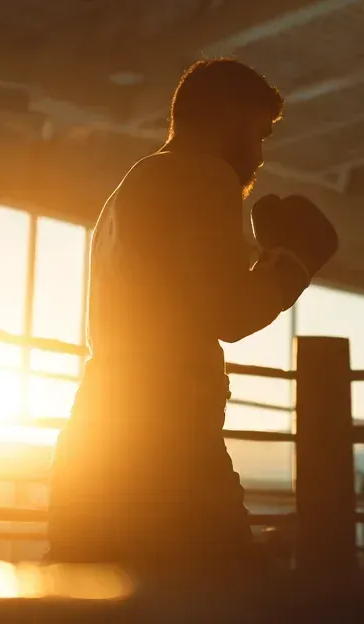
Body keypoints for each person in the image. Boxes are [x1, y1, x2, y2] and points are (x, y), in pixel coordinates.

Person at [48, 58, 338, 589]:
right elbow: (230, 312)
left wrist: (270, 259)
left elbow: (189, 297)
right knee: (223, 598)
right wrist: (291, 265)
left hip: (99, 433)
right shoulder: (203, 173)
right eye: (259, 132)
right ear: (230, 119)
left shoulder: (133, 186)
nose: (260, 153)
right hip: (166, 445)